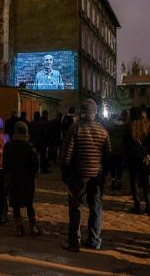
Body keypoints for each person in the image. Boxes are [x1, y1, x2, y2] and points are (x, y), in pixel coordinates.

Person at [60, 99, 111, 252]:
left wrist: (65, 172)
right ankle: (94, 241)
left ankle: (74, 242)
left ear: (81, 113)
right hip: (97, 176)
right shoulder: (103, 130)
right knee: (96, 208)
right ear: (95, 113)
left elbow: (66, 154)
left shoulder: (75, 128)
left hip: (78, 175)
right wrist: (104, 174)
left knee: (75, 207)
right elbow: (108, 155)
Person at [4, 121, 42, 237]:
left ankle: (19, 228)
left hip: (14, 178)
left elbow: (5, 165)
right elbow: (36, 166)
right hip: (28, 180)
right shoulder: (30, 147)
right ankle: (33, 227)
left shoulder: (8, 146)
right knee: (29, 204)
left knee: (15, 204)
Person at [124, 106, 150, 216]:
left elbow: (125, 143)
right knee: (146, 182)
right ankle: (149, 206)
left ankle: (137, 205)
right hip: (145, 157)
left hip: (133, 157)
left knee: (134, 181)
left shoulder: (129, 126)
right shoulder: (148, 124)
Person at [108, 110, 128, 190]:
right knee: (119, 165)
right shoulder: (125, 127)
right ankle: (119, 181)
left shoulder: (111, 125)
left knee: (113, 165)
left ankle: (113, 180)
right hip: (121, 148)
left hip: (112, 147)